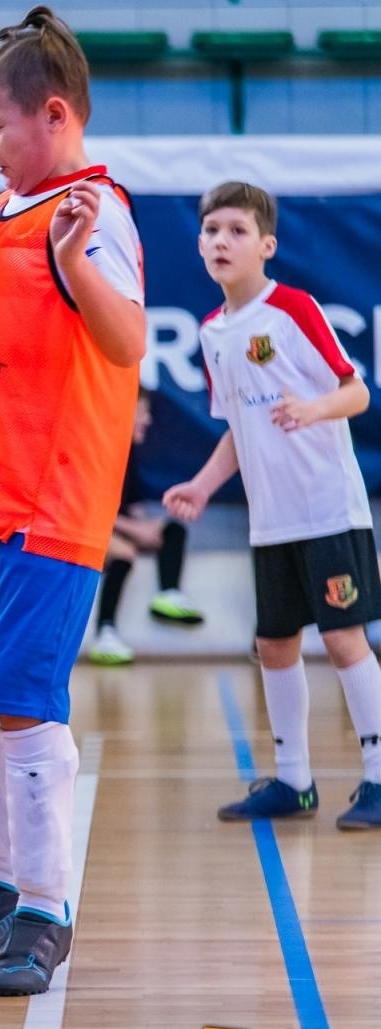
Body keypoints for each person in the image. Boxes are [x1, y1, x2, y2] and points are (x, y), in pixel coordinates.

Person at [0, 7, 148, 996]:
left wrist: (77, 264)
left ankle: (47, 905)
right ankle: (5, 883)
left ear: (53, 115)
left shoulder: (96, 210)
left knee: (18, 702)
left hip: (49, 500)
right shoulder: (4, 208)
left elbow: (127, 341)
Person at [163, 181, 381, 830]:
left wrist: (313, 408)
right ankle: (293, 781)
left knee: (343, 639)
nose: (220, 241)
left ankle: (377, 775)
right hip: (271, 519)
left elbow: (357, 392)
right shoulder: (212, 332)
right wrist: (202, 484)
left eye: (235, 229)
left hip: (328, 510)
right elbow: (237, 427)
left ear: (266, 244)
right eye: (211, 230)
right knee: (275, 643)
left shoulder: (292, 309)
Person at [88, 389, 206, 666]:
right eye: (142, 413)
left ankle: (169, 594)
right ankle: (105, 633)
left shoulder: (128, 456)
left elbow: (134, 506)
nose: (147, 420)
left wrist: (147, 526)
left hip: (116, 527)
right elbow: (93, 512)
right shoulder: (101, 452)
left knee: (171, 529)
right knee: (124, 553)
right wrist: (136, 530)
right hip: (87, 528)